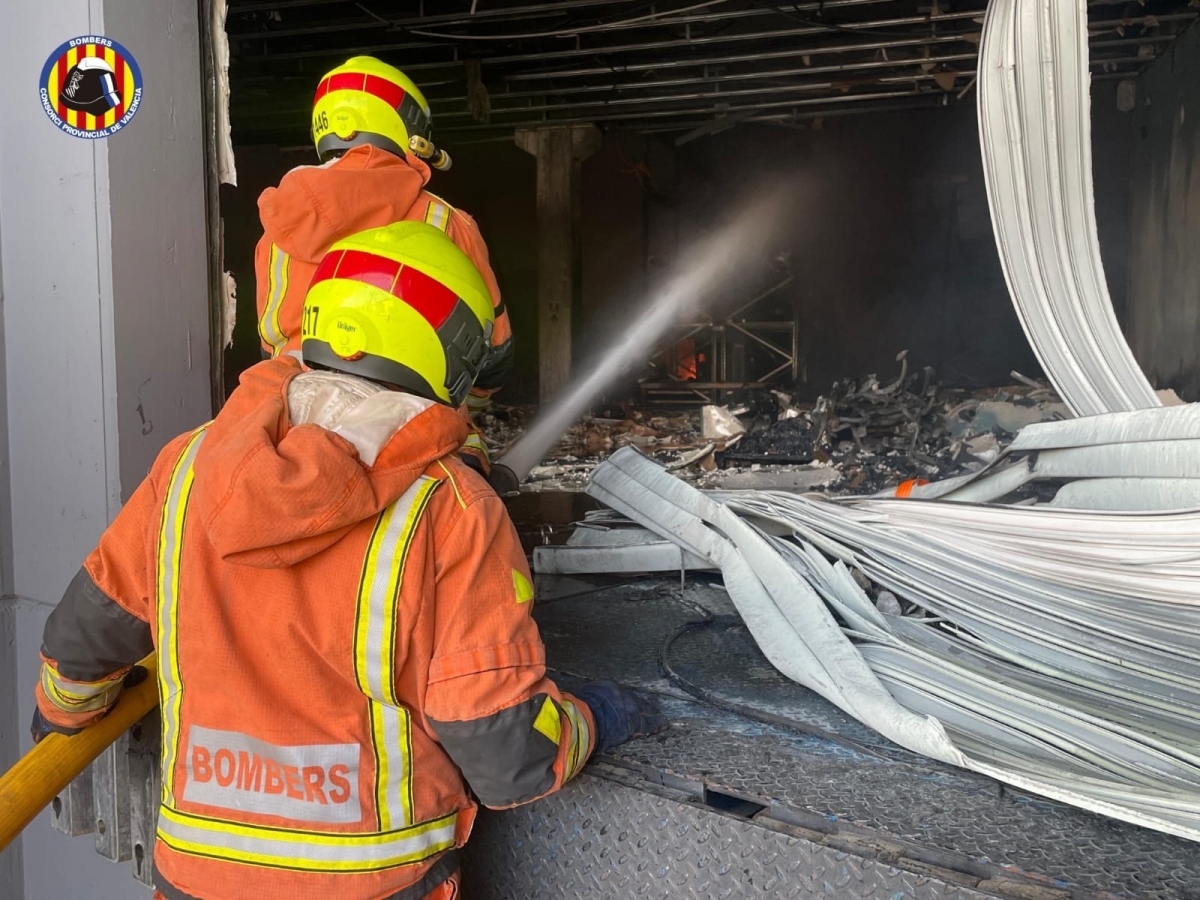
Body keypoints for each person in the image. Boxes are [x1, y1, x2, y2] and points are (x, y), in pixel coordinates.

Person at [32, 222, 665, 900]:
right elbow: (506, 751)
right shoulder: (452, 508)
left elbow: (87, 635)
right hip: (373, 885)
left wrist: (62, 717)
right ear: (452, 359)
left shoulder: (188, 468)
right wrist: (592, 721)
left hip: (197, 877)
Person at [255, 55, 513, 480]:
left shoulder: (277, 229)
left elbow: (269, 344)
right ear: (411, 130)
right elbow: (493, 352)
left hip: (295, 430)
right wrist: (470, 407)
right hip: (415, 432)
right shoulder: (446, 222)